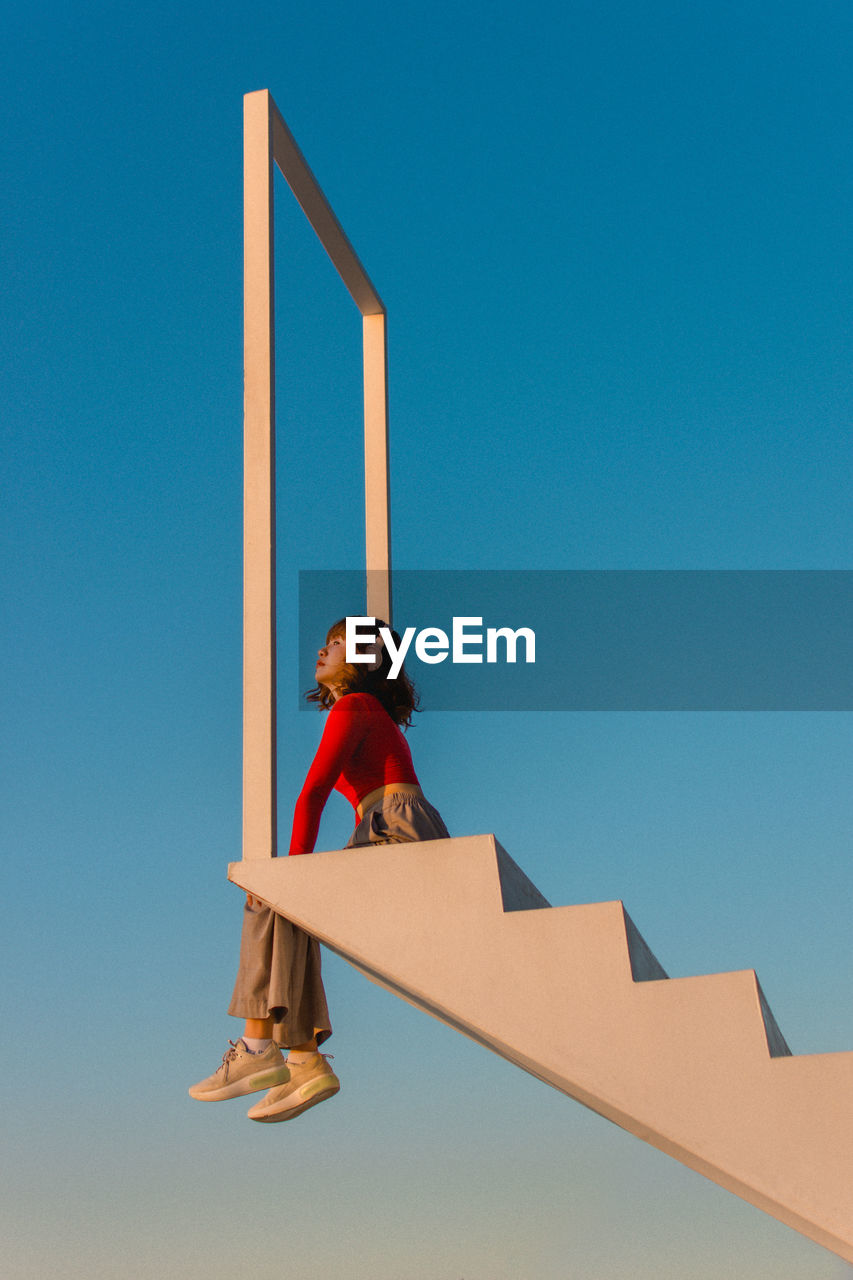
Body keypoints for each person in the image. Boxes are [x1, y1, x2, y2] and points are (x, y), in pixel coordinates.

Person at [189, 616, 449, 1123]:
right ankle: (302, 1057)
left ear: (368, 660)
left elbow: (312, 794)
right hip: (389, 829)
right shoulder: (368, 711)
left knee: (271, 898)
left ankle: (259, 1045)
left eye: (338, 644)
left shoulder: (355, 706)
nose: (323, 650)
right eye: (326, 641)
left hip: (393, 831)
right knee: (290, 911)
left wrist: (289, 876)